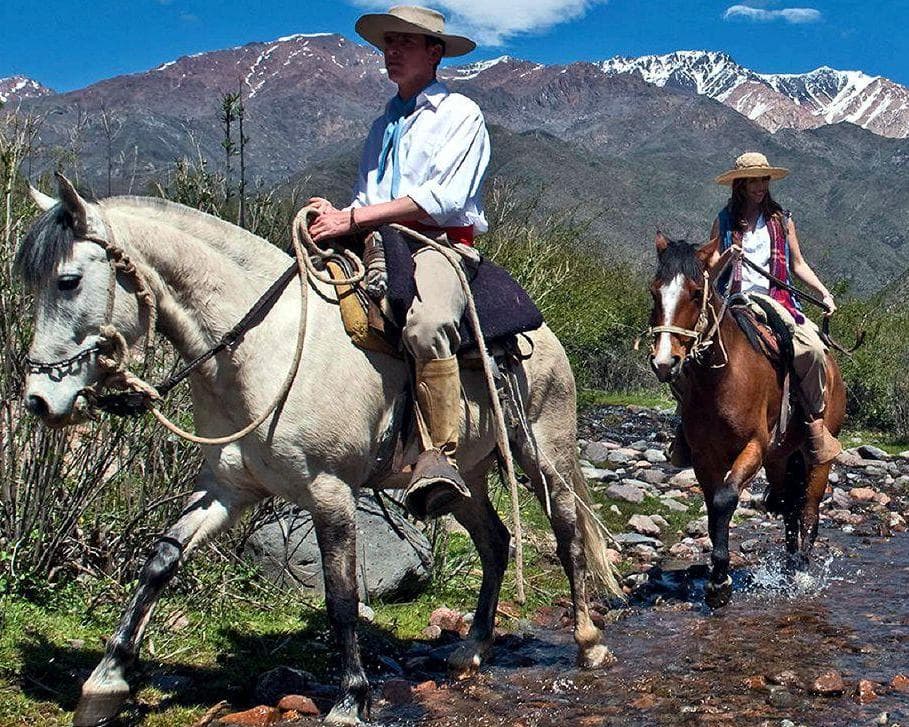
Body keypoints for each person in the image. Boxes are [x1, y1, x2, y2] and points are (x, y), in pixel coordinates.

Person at [306, 6, 491, 519]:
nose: (391, 52)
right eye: (388, 43)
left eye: (405, 43)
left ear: (435, 53)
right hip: (376, 241)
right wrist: (339, 216)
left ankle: (439, 456)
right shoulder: (382, 124)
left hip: (437, 244)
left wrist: (356, 217)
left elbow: (446, 197)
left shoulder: (460, 114)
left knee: (428, 324)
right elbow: (366, 195)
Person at [676, 151, 841, 465]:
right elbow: (708, 268)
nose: (760, 186)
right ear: (740, 184)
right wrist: (729, 255)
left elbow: (798, 264)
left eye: (764, 179)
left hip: (774, 299)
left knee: (812, 351)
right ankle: (685, 426)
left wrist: (824, 293)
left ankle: (814, 423)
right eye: (754, 180)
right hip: (730, 300)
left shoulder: (781, 220)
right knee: (687, 356)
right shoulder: (723, 220)